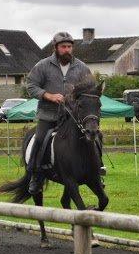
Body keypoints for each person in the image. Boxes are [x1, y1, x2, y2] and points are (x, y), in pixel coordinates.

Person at [25, 32, 92, 195]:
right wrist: (48, 95)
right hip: (48, 114)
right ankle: (36, 176)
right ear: (55, 48)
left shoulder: (82, 67)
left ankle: (95, 172)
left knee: (92, 137)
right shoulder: (43, 65)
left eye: (69, 46)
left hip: (72, 116)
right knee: (39, 140)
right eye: (63, 47)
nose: (67, 50)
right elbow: (31, 85)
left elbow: (90, 88)